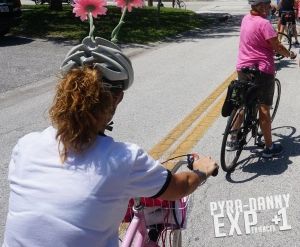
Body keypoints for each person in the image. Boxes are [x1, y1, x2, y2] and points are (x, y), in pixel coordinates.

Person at [2, 36, 219, 247]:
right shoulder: (124, 159)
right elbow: (181, 187)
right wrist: (201, 171)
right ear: (116, 99)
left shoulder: (26, 145)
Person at [227, 0, 296, 158]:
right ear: (260, 6)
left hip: (243, 67)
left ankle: (232, 139)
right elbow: (277, 46)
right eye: (268, 4)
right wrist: (289, 54)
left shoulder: (245, 19)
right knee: (263, 108)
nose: (270, 7)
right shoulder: (264, 23)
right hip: (262, 70)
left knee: (243, 103)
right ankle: (269, 147)